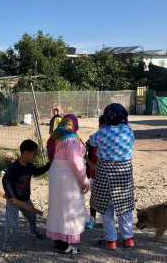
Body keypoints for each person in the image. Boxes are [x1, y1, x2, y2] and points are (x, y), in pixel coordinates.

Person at [89, 103, 135, 250]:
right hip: (124, 174)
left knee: (106, 208)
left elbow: (91, 142)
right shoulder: (129, 131)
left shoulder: (102, 132)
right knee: (125, 208)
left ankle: (110, 241)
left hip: (105, 174)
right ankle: (128, 239)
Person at [45, 114, 89, 254]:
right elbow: (75, 161)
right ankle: (64, 245)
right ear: (73, 124)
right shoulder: (71, 139)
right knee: (68, 208)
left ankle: (58, 241)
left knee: (58, 208)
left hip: (57, 174)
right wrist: (84, 180)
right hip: (67, 177)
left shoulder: (56, 134)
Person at [1, 139, 50, 252]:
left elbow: (37, 172)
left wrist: (49, 165)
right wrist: (10, 196)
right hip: (13, 200)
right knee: (11, 222)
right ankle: (7, 243)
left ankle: (33, 230)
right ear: (26, 153)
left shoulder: (30, 166)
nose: (35, 157)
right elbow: (5, 180)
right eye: (34, 154)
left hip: (25, 200)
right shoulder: (14, 167)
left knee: (32, 216)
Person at [84, 115, 106, 229]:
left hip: (107, 173)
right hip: (95, 173)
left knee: (108, 196)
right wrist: (91, 164)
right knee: (94, 196)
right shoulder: (93, 138)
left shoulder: (111, 139)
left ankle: (107, 220)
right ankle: (92, 218)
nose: (105, 128)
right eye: (103, 126)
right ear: (99, 126)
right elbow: (82, 151)